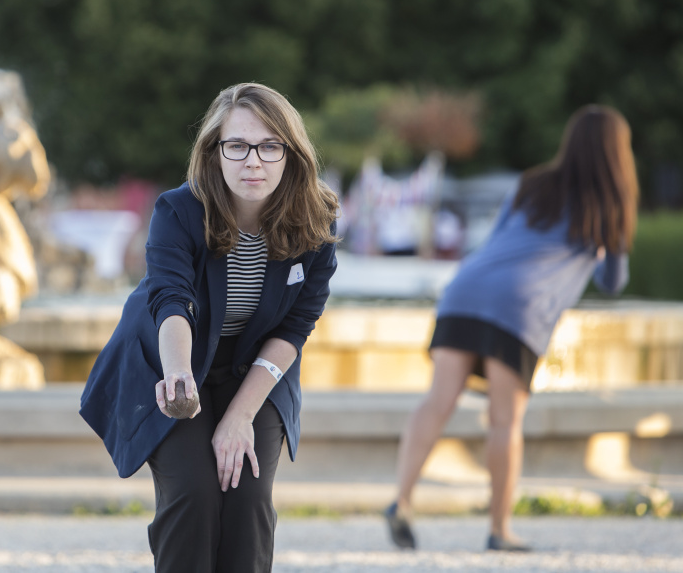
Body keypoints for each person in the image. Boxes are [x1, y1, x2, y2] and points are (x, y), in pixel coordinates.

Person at [80, 82, 340, 573]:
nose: (253, 161)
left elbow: (295, 328)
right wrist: (179, 374)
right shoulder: (178, 211)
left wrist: (240, 416)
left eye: (269, 146)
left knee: (248, 499)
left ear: (291, 153)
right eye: (237, 146)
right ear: (214, 152)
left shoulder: (316, 222)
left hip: (257, 369)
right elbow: (171, 300)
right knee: (194, 495)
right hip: (172, 362)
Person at [385, 105, 639, 552]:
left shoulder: (532, 183)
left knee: (437, 400)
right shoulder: (610, 203)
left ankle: (401, 500)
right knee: (505, 420)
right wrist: (597, 252)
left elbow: (497, 238)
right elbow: (613, 282)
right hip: (520, 306)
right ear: (619, 151)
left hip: (466, 287)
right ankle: (500, 529)